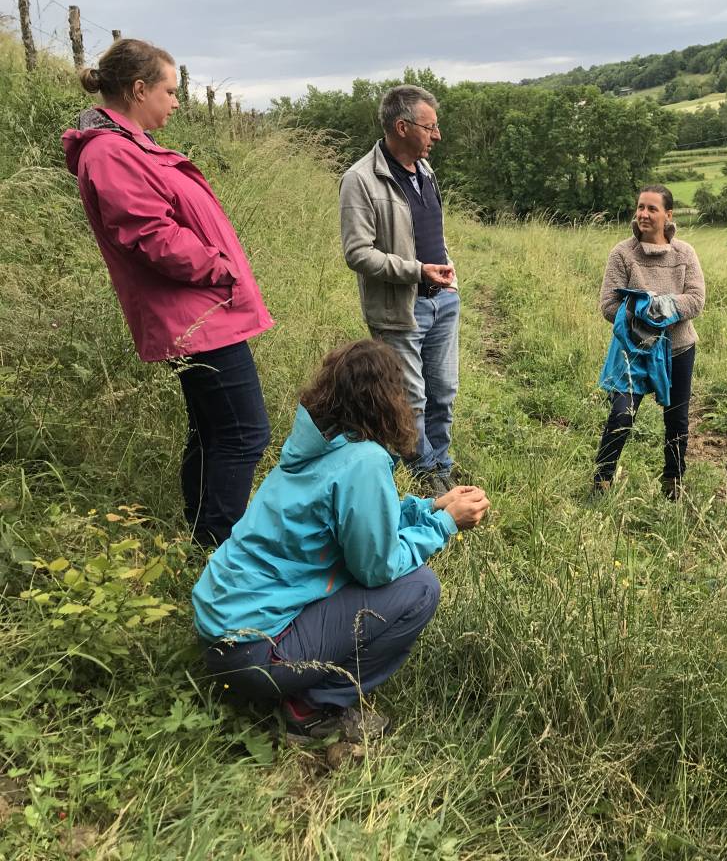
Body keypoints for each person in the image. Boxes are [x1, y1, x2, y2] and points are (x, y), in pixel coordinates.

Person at [193, 339, 491, 742]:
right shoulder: (364, 461)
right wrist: (445, 525)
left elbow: (360, 520)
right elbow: (377, 567)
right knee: (420, 589)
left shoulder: (319, 445)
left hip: (217, 632)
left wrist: (430, 508)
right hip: (254, 653)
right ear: (389, 399)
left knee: (368, 574)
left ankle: (293, 684)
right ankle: (313, 706)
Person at [62, 38, 273, 548]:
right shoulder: (111, 152)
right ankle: (222, 545)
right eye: (170, 90)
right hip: (196, 316)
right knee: (246, 432)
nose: (177, 101)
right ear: (139, 89)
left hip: (198, 309)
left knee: (213, 429)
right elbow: (149, 235)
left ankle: (204, 536)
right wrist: (216, 266)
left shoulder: (128, 145)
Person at [340, 85, 458, 494]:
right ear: (402, 126)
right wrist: (418, 271)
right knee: (412, 399)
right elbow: (358, 253)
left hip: (443, 301)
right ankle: (427, 478)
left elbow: (429, 233)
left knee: (443, 392)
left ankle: (442, 462)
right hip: (399, 308)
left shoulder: (425, 171)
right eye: (430, 127)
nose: (437, 135)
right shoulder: (360, 180)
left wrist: (444, 273)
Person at [594, 185, 705, 499]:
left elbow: (696, 300)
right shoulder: (622, 253)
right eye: (640, 207)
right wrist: (643, 317)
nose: (643, 214)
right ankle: (601, 483)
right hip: (633, 349)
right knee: (622, 415)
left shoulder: (685, 253)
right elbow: (608, 305)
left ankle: (672, 487)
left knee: (677, 420)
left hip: (679, 349)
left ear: (668, 215)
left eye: (652, 208)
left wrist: (657, 307)